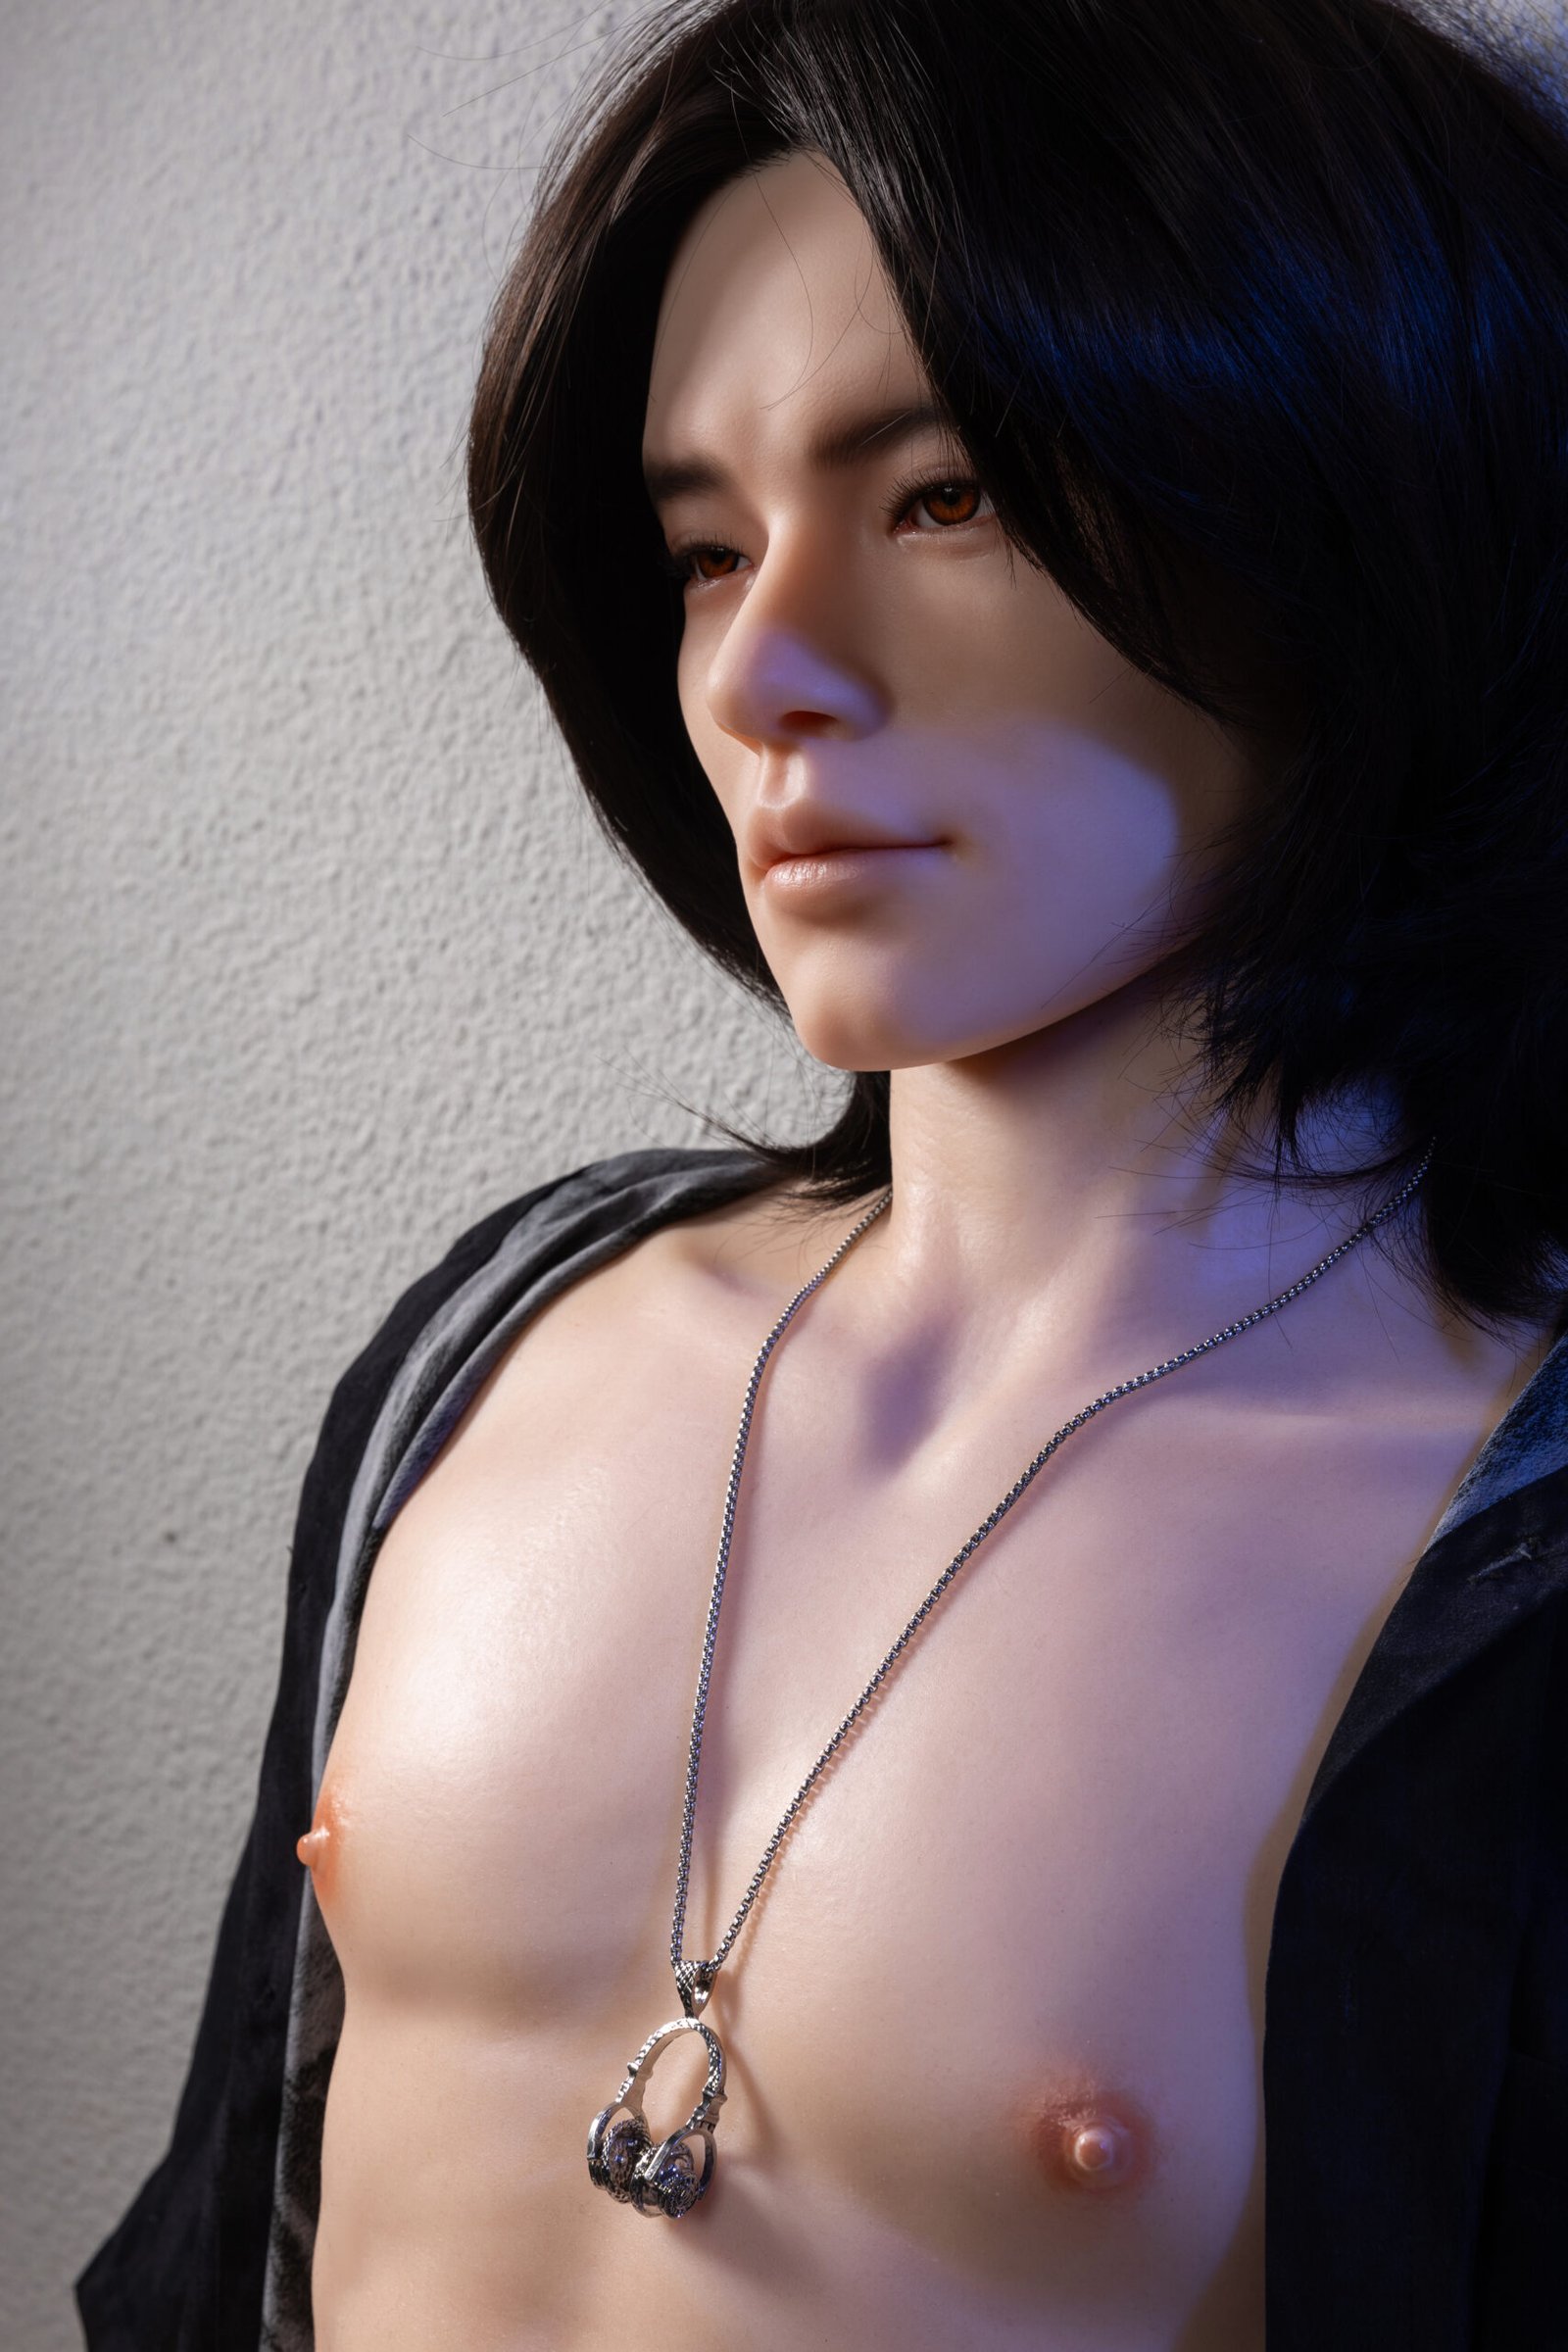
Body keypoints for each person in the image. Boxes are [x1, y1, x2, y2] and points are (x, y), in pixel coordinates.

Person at [76, 0, 1568, 2344]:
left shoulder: (1494, 1575)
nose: (759, 669)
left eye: (940, 495)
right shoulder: (496, 1357)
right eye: (701, 547)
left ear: (1350, 508)